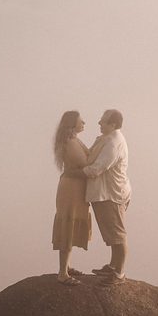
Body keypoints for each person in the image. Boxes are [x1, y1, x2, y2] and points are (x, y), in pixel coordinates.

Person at [84, 108, 131, 285]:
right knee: (111, 233)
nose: (99, 123)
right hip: (106, 193)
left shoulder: (114, 143)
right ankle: (113, 266)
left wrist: (76, 173)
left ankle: (119, 273)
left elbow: (98, 168)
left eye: (103, 121)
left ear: (113, 124)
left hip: (111, 194)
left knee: (117, 234)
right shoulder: (109, 139)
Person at [51, 110, 92, 285]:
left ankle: (65, 267)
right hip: (72, 189)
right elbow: (86, 164)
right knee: (69, 222)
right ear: (72, 124)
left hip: (73, 186)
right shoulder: (71, 142)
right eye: (80, 120)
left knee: (70, 223)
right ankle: (62, 273)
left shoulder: (72, 140)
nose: (84, 122)